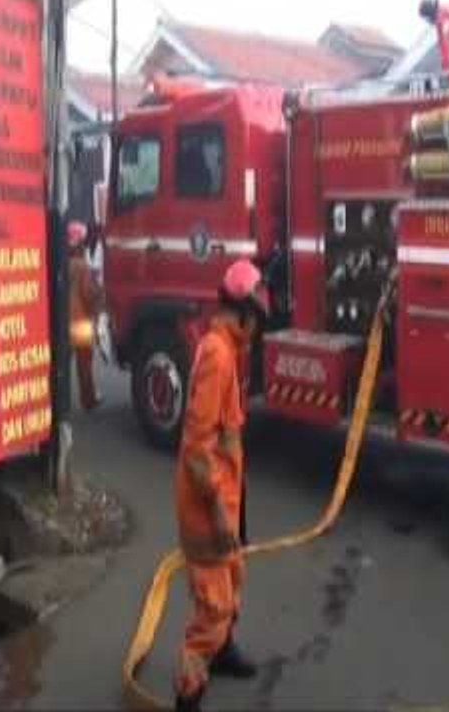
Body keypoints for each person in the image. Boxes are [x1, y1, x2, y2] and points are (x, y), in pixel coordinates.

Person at [174, 259, 269, 712]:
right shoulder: (217, 354)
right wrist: (216, 514)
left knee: (233, 579)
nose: (258, 330)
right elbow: (196, 448)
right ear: (243, 313)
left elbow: (225, 436)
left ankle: (224, 651)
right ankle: (188, 690)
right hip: (207, 507)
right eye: (258, 320)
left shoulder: (227, 350)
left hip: (226, 499)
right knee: (212, 607)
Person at [67, 220, 103, 411]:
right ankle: (88, 400)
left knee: (62, 366)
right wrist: (99, 298)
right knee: (84, 365)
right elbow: (88, 294)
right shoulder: (82, 266)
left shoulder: (61, 264)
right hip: (81, 322)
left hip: (62, 322)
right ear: (80, 242)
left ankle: (59, 402)